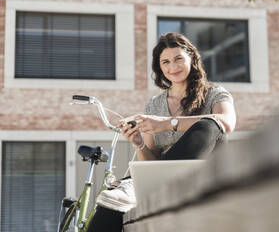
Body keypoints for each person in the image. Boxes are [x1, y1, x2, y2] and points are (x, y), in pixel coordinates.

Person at [87, 32, 236, 232]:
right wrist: (138, 142)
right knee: (108, 210)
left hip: (203, 173)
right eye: (165, 62)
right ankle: (133, 187)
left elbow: (227, 123)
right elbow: (151, 162)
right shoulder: (154, 105)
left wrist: (167, 124)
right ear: (159, 67)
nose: (172, 67)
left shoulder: (215, 93)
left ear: (192, 58)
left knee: (209, 124)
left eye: (178, 59)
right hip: (163, 182)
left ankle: (134, 187)